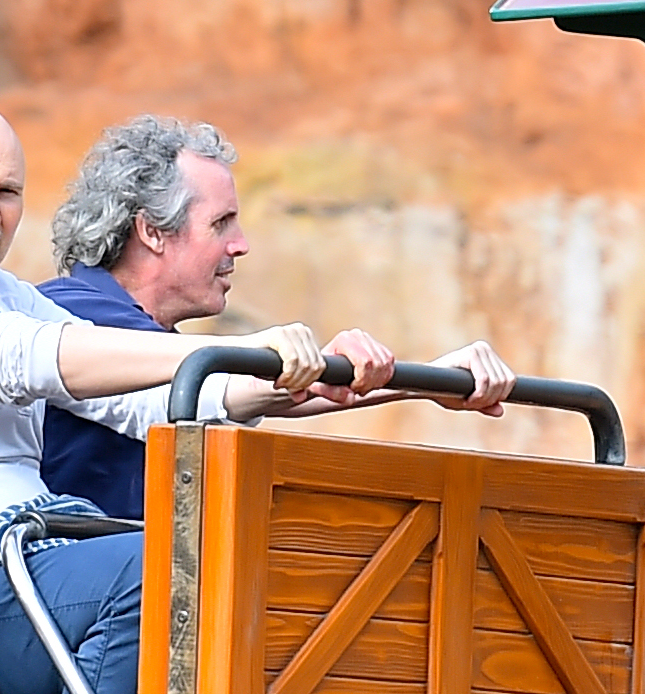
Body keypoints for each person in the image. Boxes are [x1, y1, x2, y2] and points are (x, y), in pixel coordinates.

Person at [0, 97, 397, 694]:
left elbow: (157, 400)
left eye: (7, 192)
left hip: (19, 567)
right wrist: (244, 348)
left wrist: (330, 376)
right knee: (159, 569)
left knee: (234, 558)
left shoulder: (8, 296)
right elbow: (28, 358)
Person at [40, 115, 516, 517]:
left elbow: (241, 392)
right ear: (152, 232)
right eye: (220, 223)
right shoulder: (71, 313)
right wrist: (327, 366)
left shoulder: (154, 334)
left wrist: (428, 379)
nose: (240, 244)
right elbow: (223, 389)